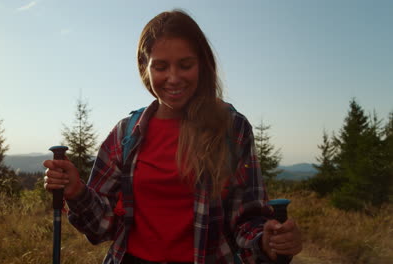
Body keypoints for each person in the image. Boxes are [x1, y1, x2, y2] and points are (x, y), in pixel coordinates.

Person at [44, 10, 302, 264]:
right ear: (145, 68)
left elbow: (247, 217)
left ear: (202, 64)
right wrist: (77, 191)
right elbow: (102, 227)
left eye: (185, 65)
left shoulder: (232, 128)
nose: (174, 78)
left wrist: (266, 243)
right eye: (161, 66)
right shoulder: (125, 134)